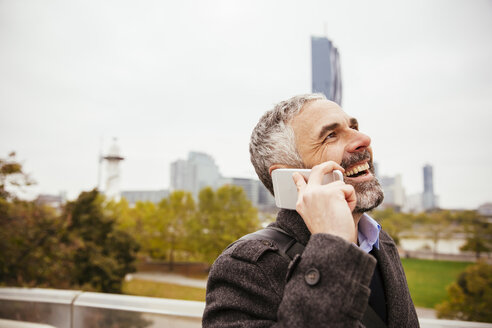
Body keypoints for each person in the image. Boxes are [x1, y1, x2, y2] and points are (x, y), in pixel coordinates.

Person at [202, 94, 419, 327]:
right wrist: (334, 246)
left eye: (353, 126)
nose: (363, 138)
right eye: (331, 135)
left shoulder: (380, 241)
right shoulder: (245, 267)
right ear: (292, 178)